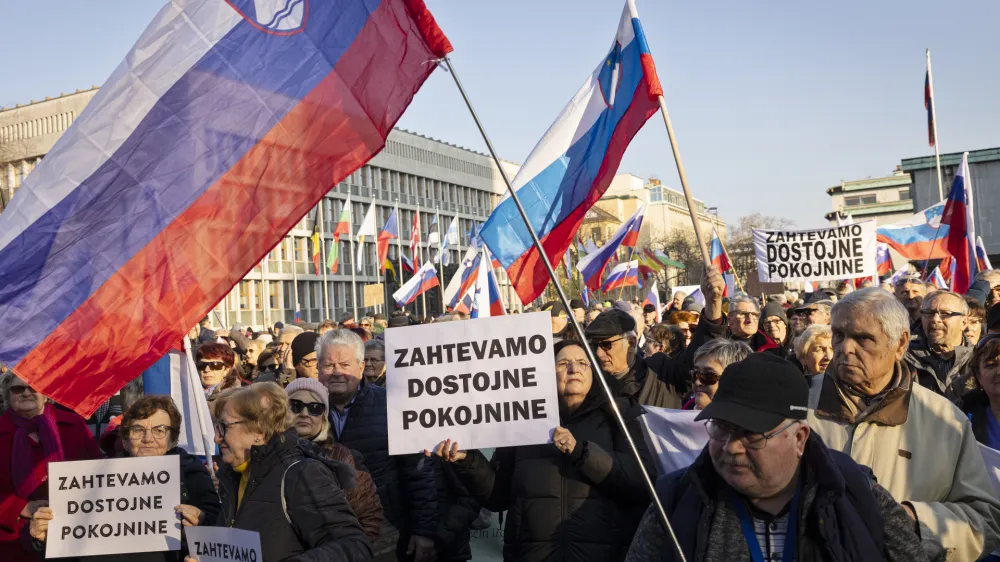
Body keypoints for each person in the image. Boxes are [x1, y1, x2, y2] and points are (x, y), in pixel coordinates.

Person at [625, 353, 928, 562]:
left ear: (799, 438)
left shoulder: (858, 495)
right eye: (721, 428)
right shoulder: (674, 500)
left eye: (751, 434)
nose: (731, 447)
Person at [807, 288, 1000, 561]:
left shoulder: (946, 420)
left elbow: (985, 522)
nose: (845, 348)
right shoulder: (795, 406)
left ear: (900, 344)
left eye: (863, 338)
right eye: (839, 334)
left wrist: (913, 520)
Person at [429, 340, 653, 562]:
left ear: (593, 372)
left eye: (582, 363)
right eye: (563, 363)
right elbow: (498, 496)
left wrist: (581, 452)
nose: (573, 369)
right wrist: (468, 460)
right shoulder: (524, 418)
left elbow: (641, 481)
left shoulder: (619, 414)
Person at [192, 383, 371, 562]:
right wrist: (206, 527)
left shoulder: (301, 474)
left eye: (224, 427)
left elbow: (354, 547)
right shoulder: (233, 477)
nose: (216, 438)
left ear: (259, 431)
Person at [29, 396, 222, 562]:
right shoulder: (94, 476)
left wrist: (201, 522)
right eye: (138, 430)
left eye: (159, 430)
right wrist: (44, 539)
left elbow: (218, 527)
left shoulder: (191, 470)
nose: (148, 438)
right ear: (125, 440)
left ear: (172, 438)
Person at [317, 329, 438, 561]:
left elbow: (419, 473)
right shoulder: (303, 408)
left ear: (361, 367)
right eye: (328, 365)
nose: (337, 373)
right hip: (323, 531)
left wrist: (424, 531)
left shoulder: (391, 405)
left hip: (385, 529)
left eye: (344, 364)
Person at [0, 377, 101, 561]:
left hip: (72, 534)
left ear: (47, 394)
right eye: (17, 389)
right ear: (7, 394)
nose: (26, 392)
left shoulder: (74, 425)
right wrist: (19, 507)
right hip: (13, 543)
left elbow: (99, 471)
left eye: (34, 387)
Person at [284, 378, 383, 545]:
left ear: (323, 417)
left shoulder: (341, 457)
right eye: (296, 405)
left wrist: (347, 554)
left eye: (315, 408)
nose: (304, 414)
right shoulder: (267, 453)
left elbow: (368, 516)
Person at [585, 309, 685, 408]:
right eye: (594, 345)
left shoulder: (660, 373)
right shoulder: (589, 384)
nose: (599, 353)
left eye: (606, 345)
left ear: (631, 343)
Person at [904, 289, 972, 403]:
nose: (935, 319)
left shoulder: (980, 359)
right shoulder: (903, 358)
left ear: (964, 322)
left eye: (945, 314)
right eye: (929, 313)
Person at [688, 339, 752, 410]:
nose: (697, 382)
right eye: (695, 374)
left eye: (709, 376)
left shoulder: (752, 420)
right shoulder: (679, 416)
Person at [793, 324, 833, 391]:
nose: (828, 357)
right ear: (803, 357)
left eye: (833, 349)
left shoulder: (848, 389)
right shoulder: (795, 390)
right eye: (819, 350)